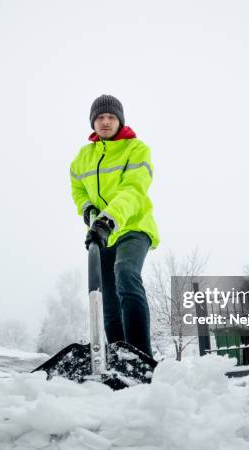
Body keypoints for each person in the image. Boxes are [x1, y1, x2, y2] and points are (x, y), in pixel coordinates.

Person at [69, 94, 160, 358]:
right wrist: (89, 213)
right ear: (92, 122)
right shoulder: (82, 158)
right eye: (100, 117)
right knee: (106, 295)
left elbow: (134, 189)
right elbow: (78, 191)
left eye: (111, 117)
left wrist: (108, 219)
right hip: (103, 234)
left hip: (133, 226)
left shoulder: (137, 149)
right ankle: (119, 357)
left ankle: (141, 356)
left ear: (120, 120)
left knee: (125, 272)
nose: (106, 121)